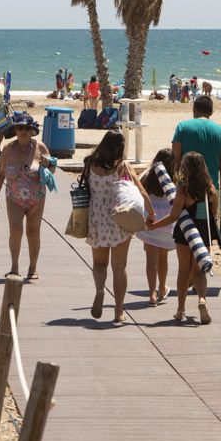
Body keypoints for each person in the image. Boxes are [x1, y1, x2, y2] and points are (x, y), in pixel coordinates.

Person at [84, 131, 155, 323]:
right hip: (119, 217)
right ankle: (118, 312)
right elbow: (141, 190)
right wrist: (151, 213)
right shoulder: (122, 166)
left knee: (99, 264)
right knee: (119, 266)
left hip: (96, 217)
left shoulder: (90, 163)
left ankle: (100, 289)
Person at [145, 152, 217, 324]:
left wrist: (153, 226)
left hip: (185, 232)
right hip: (203, 232)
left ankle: (180, 310)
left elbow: (174, 215)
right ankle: (202, 300)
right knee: (199, 270)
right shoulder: (210, 188)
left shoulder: (184, 188)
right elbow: (213, 214)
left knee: (184, 270)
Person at [0, 115, 54, 279]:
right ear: (15, 129)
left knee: (33, 232)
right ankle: (14, 267)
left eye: (26, 128)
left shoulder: (40, 147)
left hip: (36, 198)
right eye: (20, 128)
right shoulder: (8, 149)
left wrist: (47, 163)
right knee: (15, 230)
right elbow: (0, 173)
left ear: (32, 130)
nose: (23, 131)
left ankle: (33, 268)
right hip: (13, 197)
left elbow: (52, 170)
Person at [136, 148, 176, 306]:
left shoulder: (148, 175)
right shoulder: (175, 177)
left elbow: (139, 191)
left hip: (150, 220)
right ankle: (161, 287)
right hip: (167, 221)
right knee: (163, 257)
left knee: (150, 259)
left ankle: (151, 293)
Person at [172, 95, 221, 199]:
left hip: (186, 190)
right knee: (210, 216)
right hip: (211, 190)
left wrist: (173, 188)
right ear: (211, 112)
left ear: (194, 109)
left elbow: (175, 161)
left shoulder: (182, 127)